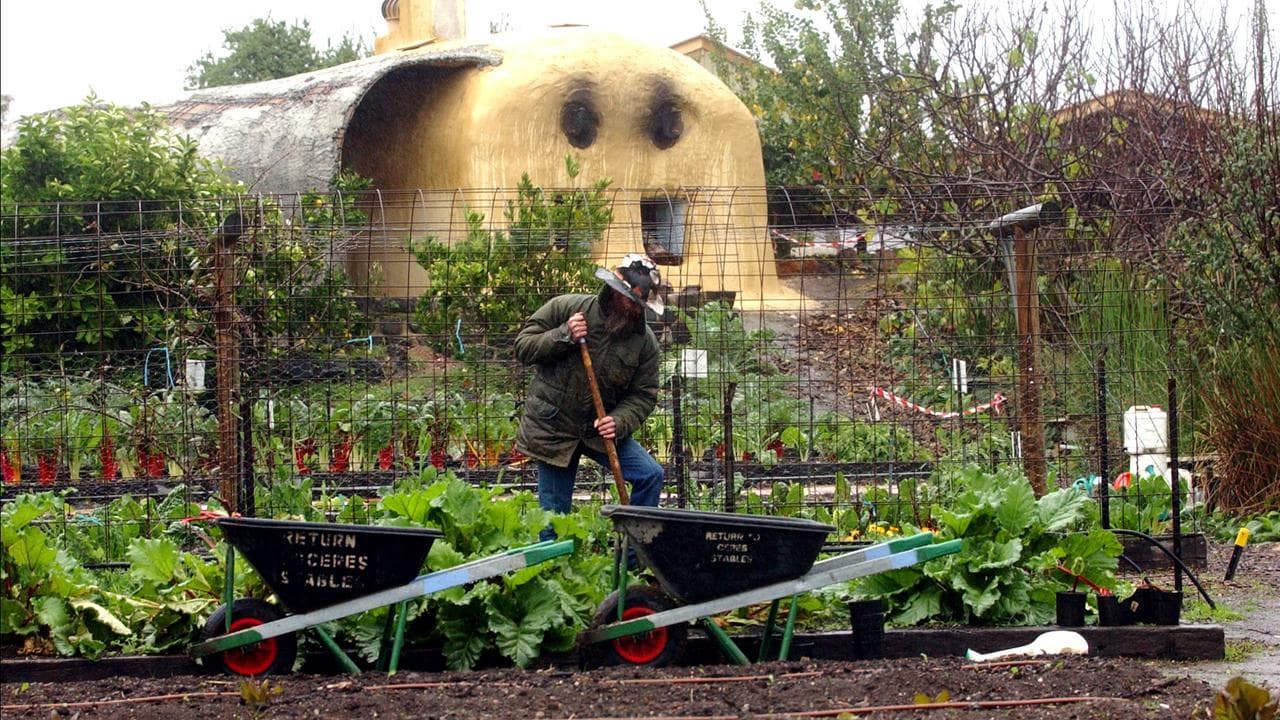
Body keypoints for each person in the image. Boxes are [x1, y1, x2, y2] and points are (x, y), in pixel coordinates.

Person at [514, 253, 666, 541]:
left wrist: (618, 421)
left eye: (640, 304)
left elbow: (644, 396)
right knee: (553, 523)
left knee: (650, 475)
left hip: (599, 432)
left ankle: (634, 558)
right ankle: (554, 575)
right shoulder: (568, 308)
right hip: (554, 428)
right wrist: (564, 334)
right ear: (614, 289)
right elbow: (523, 347)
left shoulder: (645, 344)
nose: (634, 309)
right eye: (629, 299)